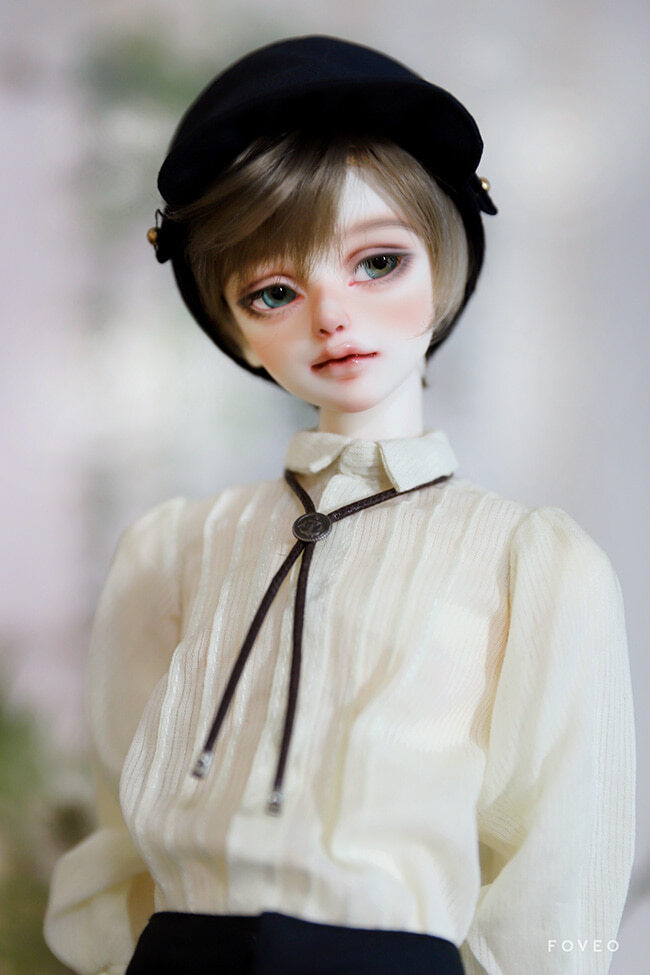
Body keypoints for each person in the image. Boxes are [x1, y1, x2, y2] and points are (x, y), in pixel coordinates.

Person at [44, 35, 635, 975]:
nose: (331, 315)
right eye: (274, 291)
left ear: (444, 266)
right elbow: (121, 830)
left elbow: (557, 878)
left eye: (379, 262)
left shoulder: (527, 562)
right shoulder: (173, 549)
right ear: (236, 330)